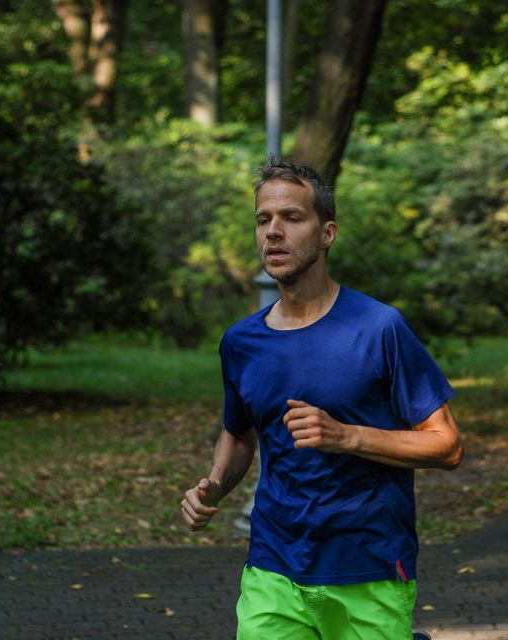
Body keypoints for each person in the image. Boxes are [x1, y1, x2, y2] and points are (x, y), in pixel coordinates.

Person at [180, 160, 464, 639]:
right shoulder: (240, 342)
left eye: (292, 218)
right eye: (263, 219)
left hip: (367, 566)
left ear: (327, 232)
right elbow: (239, 431)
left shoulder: (378, 328)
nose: (273, 232)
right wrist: (214, 484)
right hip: (273, 563)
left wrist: (347, 435)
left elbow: (447, 445)